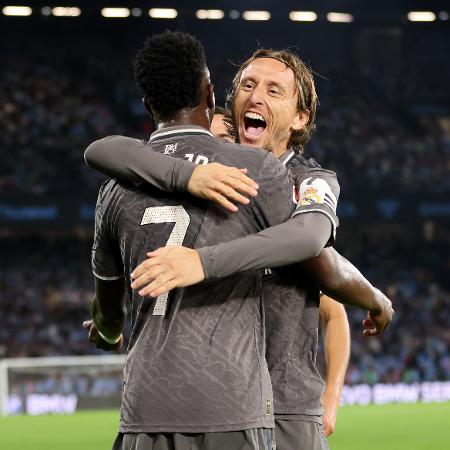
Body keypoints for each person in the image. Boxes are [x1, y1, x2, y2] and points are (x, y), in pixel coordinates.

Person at [85, 49, 393, 450]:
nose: (256, 95)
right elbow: (103, 151)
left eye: (274, 90)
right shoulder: (212, 174)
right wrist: (190, 174)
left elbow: (326, 283)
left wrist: (372, 302)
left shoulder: (308, 182)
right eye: (247, 85)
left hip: (285, 406)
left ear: (300, 118)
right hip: (219, 404)